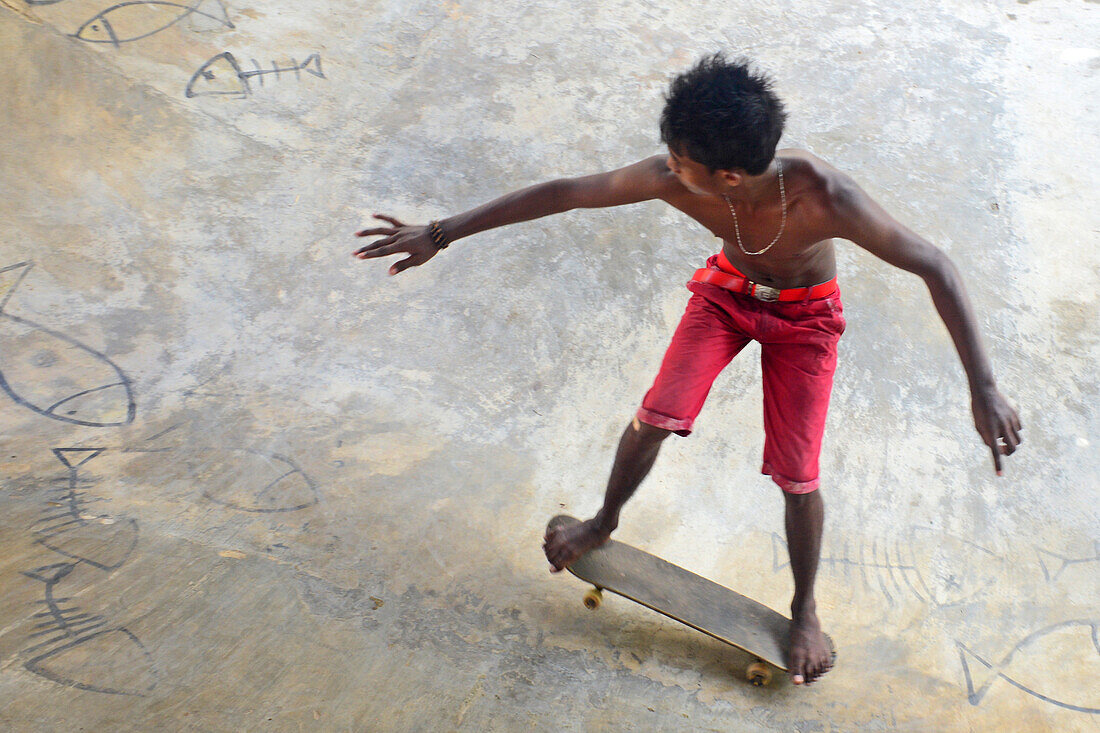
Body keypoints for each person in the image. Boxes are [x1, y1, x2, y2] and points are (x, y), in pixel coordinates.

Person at [352, 53, 1022, 685]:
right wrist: (440, 233)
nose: (666, 167)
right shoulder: (675, 178)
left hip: (806, 320)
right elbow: (565, 192)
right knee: (654, 418)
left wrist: (983, 387)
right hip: (727, 296)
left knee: (798, 476)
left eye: (679, 158)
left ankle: (805, 609)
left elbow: (935, 264)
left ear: (728, 174)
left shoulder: (826, 198)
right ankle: (602, 521)